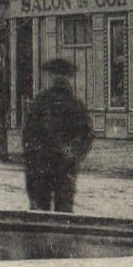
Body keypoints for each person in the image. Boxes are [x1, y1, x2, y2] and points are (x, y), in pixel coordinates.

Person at [21, 58, 93, 212]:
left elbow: (28, 135)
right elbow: (85, 136)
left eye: (61, 75)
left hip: (43, 166)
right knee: (63, 212)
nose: (59, 79)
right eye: (57, 75)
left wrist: (35, 155)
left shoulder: (40, 101)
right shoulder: (75, 103)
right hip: (61, 166)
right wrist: (69, 153)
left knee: (41, 212)